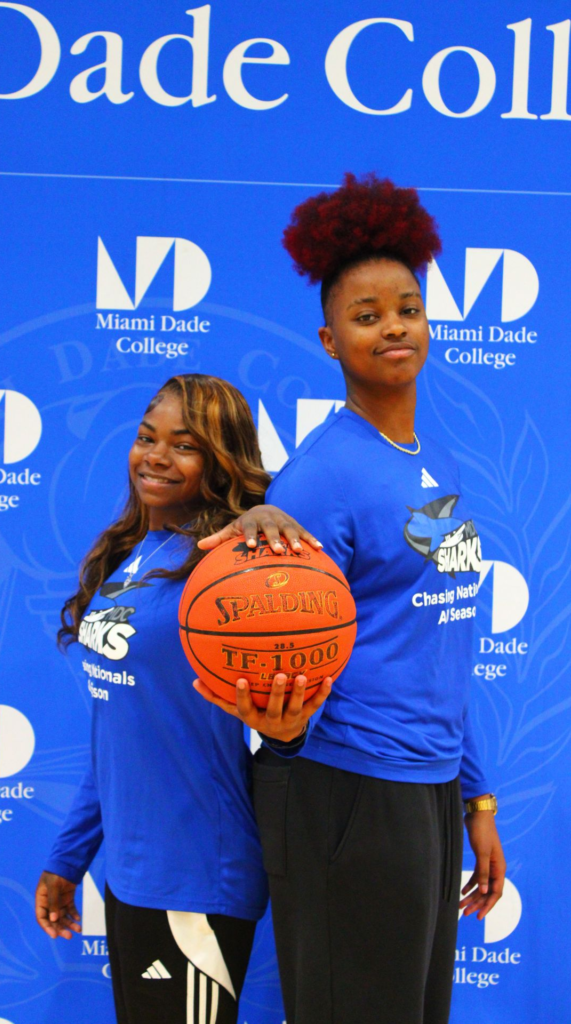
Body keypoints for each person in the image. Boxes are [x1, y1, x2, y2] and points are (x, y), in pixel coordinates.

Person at [197, 175, 507, 1024]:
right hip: (346, 786)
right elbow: (267, 646)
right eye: (367, 316)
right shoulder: (321, 473)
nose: (393, 326)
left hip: (429, 787)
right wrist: (283, 725)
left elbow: (441, 646)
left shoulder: (433, 457)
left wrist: (475, 796)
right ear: (330, 341)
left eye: (407, 308)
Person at [35, 373, 332, 1024]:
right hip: (131, 875)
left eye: (185, 445)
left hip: (196, 875)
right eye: (148, 438)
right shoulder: (134, 554)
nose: (157, 456)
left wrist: (258, 518)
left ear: (222, 461)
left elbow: (288, 723)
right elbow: (119, 732)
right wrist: (69, 856)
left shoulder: (235, 565)